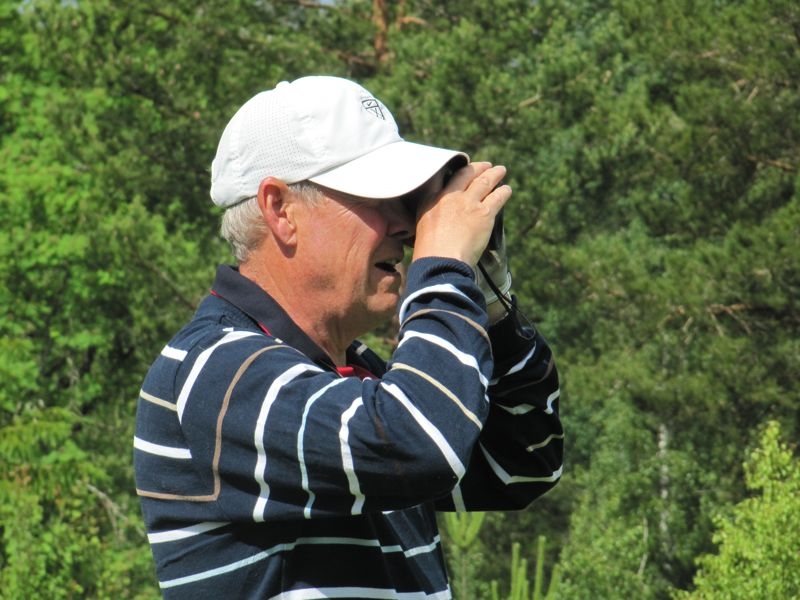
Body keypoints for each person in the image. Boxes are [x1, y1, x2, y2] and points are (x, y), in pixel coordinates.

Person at [134, 75, 563, 599]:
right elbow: (417, 444)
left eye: (407, 200)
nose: (406, 225)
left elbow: (521, 465)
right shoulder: (214, 370)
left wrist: (491, 306)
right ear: (280, 209)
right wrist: (442, 268)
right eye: (377, 196)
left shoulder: (358, 379)